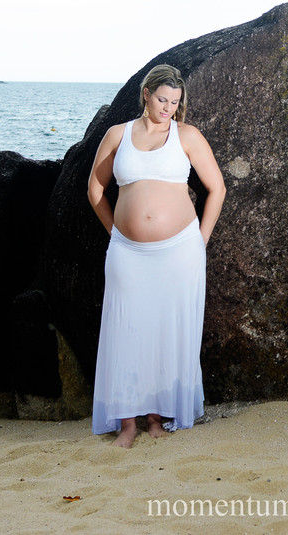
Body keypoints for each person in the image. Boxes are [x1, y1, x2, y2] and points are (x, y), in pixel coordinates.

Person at [86, 64, 226, 448]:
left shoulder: (187, 136)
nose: (168, 108)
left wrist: (200, 240)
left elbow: (217, 188)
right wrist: (116, 233)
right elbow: (96, 189)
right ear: (146, 93)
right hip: (127, 251)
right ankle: (127, 423)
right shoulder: (118, 135)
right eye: (162, 99)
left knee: (168, 332)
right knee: (125, 331)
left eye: (175, 102)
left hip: (179, 250)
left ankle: (156, 419)